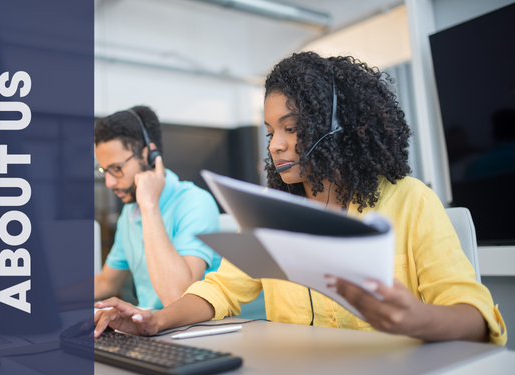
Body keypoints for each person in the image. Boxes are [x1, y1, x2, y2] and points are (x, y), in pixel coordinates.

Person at [93, 54, 507, 346]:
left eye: (291, 128)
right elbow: (221, 290)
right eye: (272, 132)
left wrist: (417, 319)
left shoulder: (411, 201)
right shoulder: (272, 213)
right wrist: (153, 321)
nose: (276, 145)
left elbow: (474, 316)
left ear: (340, 128)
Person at [93, 105, 221, 309]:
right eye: (104, 170)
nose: (109, 182)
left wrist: (149, 205)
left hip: (193, 332)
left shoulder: (195, 202)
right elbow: (106, 282)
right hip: (150, 329)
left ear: (149, 155)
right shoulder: (130, 212)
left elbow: (179, 297)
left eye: (116, 169)